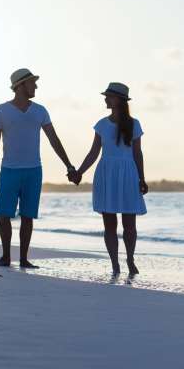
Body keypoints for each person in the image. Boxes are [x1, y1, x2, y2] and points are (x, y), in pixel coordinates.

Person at [0, 68, 77, 268]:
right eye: (32, 82)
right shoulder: (1, 110)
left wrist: (69, 165)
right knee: (3, 215)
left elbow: (54, 140)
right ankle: (6, 257)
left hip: (34, 170)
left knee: (28, 216)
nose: (35, 86)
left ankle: (24, 259)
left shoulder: (40, 111)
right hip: (9, 170)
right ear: (20, 85)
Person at [71, 82, 148, 276]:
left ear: (119, 100)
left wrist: (142, 179)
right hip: (106, 173)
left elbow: (138, 154)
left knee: (130, 223)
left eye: (109, 96)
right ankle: (115, 264)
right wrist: (79, 172)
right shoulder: (102, 125)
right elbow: (94, 152)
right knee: (110, 224)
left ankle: (130, 259)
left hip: (129, 174)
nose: (105, 99)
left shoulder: (134, 124)